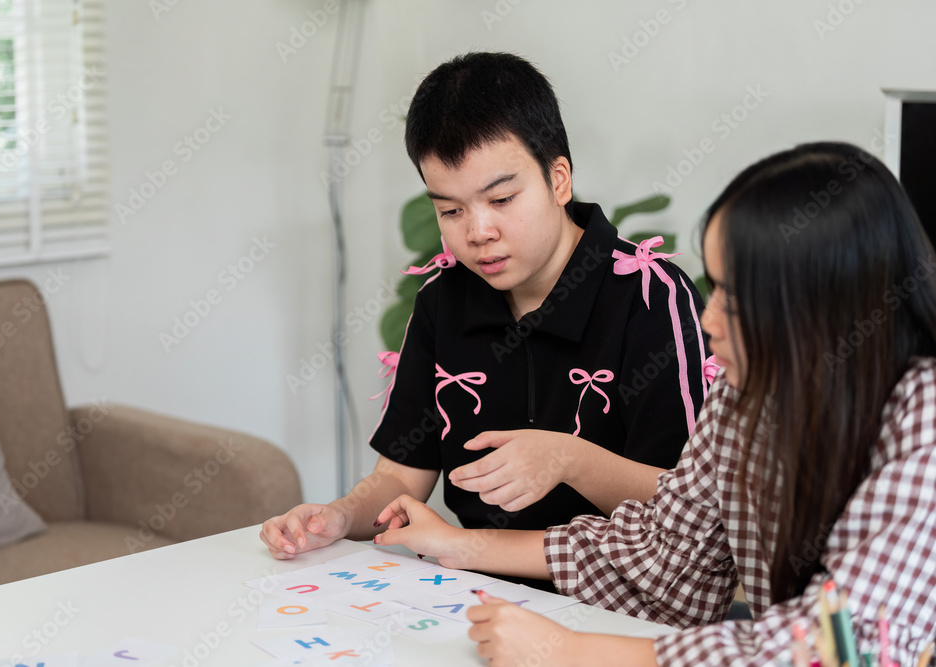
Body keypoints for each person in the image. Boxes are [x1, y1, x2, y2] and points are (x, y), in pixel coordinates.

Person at [371, 141, 936, 666]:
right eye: (716, 288)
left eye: (738, 299)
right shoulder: (745, 396)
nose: (711, 321)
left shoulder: (924, 420)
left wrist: (571, 650)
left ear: (825, 303)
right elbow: (669, 548)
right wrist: (461, 545)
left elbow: (839, 642)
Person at [261, 53, 710, 570]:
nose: (478, 233)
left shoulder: (650, 297)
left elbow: (688, 506)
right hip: (478, 587)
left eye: (501, 200)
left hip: (611, 595)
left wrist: (569, 460)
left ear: (558, 179)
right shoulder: (442, 300)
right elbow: (401, 476)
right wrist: (339, 517)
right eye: (450, 210)